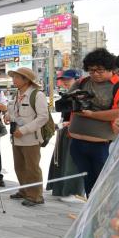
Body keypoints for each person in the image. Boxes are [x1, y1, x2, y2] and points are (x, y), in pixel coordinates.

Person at [68, 48, 119, 197]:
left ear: (110, 68)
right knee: (88, 182)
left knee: (105, 184)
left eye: (100, 70)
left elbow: (118, 113)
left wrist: (92, 114)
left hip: (103, 145)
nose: (95, 74)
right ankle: (90, 217)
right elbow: (68, 103)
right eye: (91, 70)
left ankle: (108, 217)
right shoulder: (82, 82)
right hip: (77, 143)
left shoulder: (117, 86)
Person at [5, 67, 48, 207]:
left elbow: (43, 118)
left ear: (26, 80)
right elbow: (14, 112)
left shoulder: (37, 94)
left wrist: (23, 130)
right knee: (19, 166)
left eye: (17, 77)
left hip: (30, 138)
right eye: (14, 77)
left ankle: (36, 196)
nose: (14, 80)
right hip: (16, 137)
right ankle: (24, 190)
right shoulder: (17, 94)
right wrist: (7, 116)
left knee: (32, 168)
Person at [46, 69, 85, 203]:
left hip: (77, 131)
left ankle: (74, 192)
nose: (65, 82)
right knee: (60, 160)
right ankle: (60, 188)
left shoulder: (82, 94)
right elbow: (60, 108)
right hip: (65, 129)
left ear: (77, 79)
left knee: (72, 162)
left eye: (68, 80)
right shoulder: (68, 94)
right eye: (64, 80)